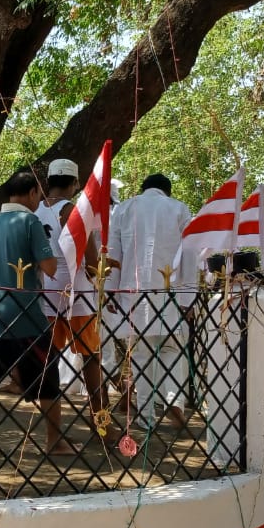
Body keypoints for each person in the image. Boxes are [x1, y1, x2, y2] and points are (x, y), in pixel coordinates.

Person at [0, 169, 78, 458]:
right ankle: (54, 440)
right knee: (49, 378)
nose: (39, 200)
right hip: (28, 317)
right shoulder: (30, 221)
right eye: (38, 195)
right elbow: (51, 268)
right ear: (30, 194)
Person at [33, 160, 119, 447]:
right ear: (74, 184)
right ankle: (102, 427)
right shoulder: (70, 210)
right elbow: (92, 260)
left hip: (47, 295)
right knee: (91, 361)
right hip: (78, 296)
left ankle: (53, 433)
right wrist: (104, 276)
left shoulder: (38, 210)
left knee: (50, 363)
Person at [105, 173, 191, 429]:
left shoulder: (124, 209)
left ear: (143, 189)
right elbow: (191, 253)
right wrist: (188, 297)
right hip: (169, 291)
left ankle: (144, 416)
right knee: (173, 349)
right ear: (167, 191)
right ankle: (174, 400)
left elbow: (113, 254)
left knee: (141, 355)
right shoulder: (179, 209)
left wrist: (110, 291)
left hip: (133, 292)